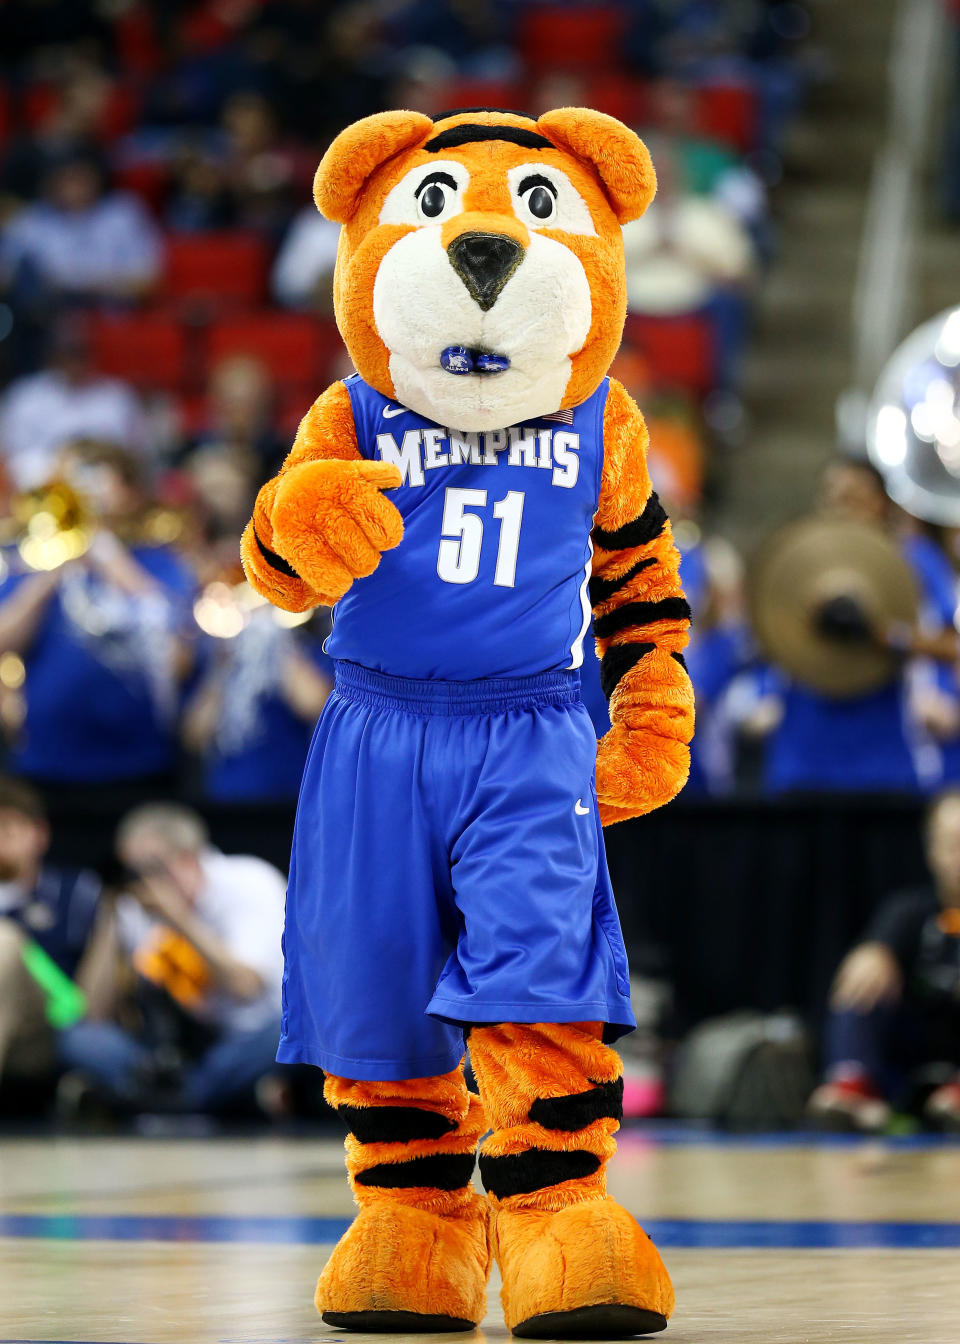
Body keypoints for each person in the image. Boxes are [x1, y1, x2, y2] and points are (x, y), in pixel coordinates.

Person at [59, 803, 287, 1115]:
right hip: (172, 1052)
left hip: (244, 1037)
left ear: (188, 860)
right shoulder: (134, 903)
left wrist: (179, 919)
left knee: (282, 1033)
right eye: (132, 869)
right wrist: (110, 922)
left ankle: (163, 1102)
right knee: (80, 1038)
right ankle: (191, 1101)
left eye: (151, 868)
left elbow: (245, 985)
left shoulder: (249, 882)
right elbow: (89, 1011)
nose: (142, 882)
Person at [0, 439, 195, 802]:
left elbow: (177, 649)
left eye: (97, 478)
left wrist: (108, 558)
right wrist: (51, 573)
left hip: (139, 761)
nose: (85, 491)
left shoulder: (159, 563)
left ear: (130, 494)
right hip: (46, 761)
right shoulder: (33, 564)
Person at [808, 788, 960, 1132]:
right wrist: (875, 951)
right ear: (931, 850)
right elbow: (872, 953)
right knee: (862, 976)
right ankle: (853, 1085)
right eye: (951, 844)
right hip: (909, 1045)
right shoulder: (908, 910)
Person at [0, 776, 111, 1096]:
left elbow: (84, 1005)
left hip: (50, 1027)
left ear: (40, 834)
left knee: (4, 942)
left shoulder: (75, 893)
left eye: (10, 827)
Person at [183, 606, 332, 803]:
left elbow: (314, 706)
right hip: (227, 796)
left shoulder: (307, 650)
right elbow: (193, 736)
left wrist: (280, 646)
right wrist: (222, 667)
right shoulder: (221, 658)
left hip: (288, 796)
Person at [0, 315, 149, 490]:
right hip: (40, 491)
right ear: (54, 354)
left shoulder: (119, 398)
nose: (76, 362)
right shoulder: (25, 396)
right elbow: (9, 457)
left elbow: (138, 459)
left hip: (103, 494)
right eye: (69, 353)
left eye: (82, 353)